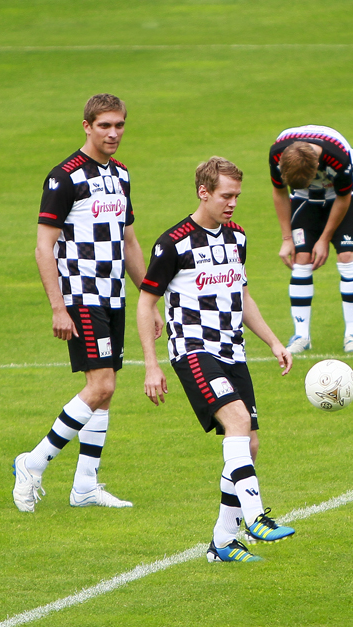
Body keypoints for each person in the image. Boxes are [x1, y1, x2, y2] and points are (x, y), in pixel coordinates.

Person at [138, 156, 295, 563]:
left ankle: (222, 542)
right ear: (203, 192)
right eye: (226, 195)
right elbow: (145, 303)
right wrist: (151, 365)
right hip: (193, 350)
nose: (232, 204)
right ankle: (256, 517)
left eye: (237, 196)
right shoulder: (172, 242)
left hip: (233, 351)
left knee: (249, 443)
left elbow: (241, 296)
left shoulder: (238, 237)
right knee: (238, 423)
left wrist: (274, 342)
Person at [12, 93, 163, 513]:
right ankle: (33, 463)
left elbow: (130, 242)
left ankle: (84, 487)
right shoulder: (64, 177)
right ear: (86, 126)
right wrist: (58, 307)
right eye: (105, 126)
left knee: (106, 392)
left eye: (119, 125)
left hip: (113, 295)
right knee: (102, 385)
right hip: (81, 295)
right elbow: (44, 248)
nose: (113, 133)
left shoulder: (122, 175)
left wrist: (149, 301)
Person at [269, 125, 353, 354]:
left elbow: (344, 198)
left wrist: (324, 239)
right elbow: (280, 193)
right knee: (301, 257)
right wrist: (286, 238)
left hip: (341, 195)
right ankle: (301, 335)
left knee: (346, 255)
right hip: (304, 199)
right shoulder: (276, 155)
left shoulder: (339, 157)